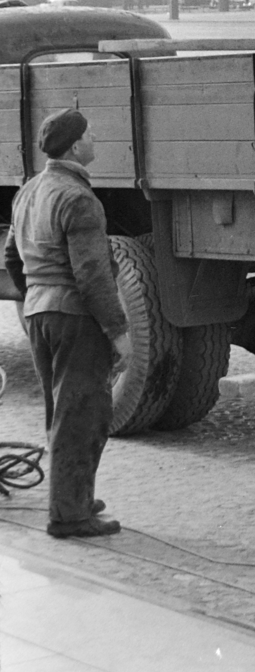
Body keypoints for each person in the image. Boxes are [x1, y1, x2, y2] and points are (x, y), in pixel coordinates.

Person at [3, 110, 131, 539]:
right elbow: (93, 274)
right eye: (90, 135)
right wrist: (119, 332)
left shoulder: (28, 192)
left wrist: (37, 297)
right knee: (83, 413)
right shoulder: (78, 199)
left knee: (62, 411)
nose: (95, 140)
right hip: (75, 317)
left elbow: (9, 259)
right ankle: (70, 516)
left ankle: (70, 497)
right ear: (76, 147)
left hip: (41, 312)